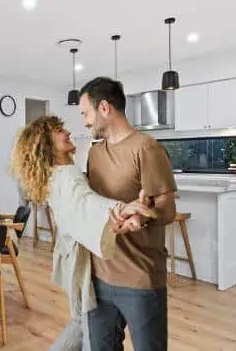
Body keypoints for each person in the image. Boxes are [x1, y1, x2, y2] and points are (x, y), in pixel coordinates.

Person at [10, 115, 154, 351]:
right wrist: (121, 208)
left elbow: (83, 203)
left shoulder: (59, 172)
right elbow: (86, 203)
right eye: (58, 130)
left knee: (84, 322)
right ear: (45, 143)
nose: (67, 132)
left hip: (73, 257)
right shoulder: (65, 177)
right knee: (92, 330)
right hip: (82, 262)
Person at [78, 77, 177, 351]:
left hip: (140, 279)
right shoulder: (94, 153)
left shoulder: (146, 148)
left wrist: (142, 217)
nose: (85, 121)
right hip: (99, 276)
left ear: (105, 108)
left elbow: (168, 207)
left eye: (86, 113)